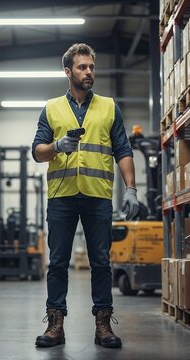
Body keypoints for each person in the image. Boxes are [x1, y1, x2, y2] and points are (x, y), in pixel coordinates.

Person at [31, 43, 139, 349]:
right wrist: (57, 146)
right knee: (58, 262)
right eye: (82, 67)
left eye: (91, 66)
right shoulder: (51, 108)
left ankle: (103, 325)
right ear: (68, 71)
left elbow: (123, 150)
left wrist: (131, 188)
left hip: (97, 196)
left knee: (101, 262)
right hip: (62, 197)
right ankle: (56, 325)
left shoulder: (109, 107)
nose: (89, 71)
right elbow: (37, 152)